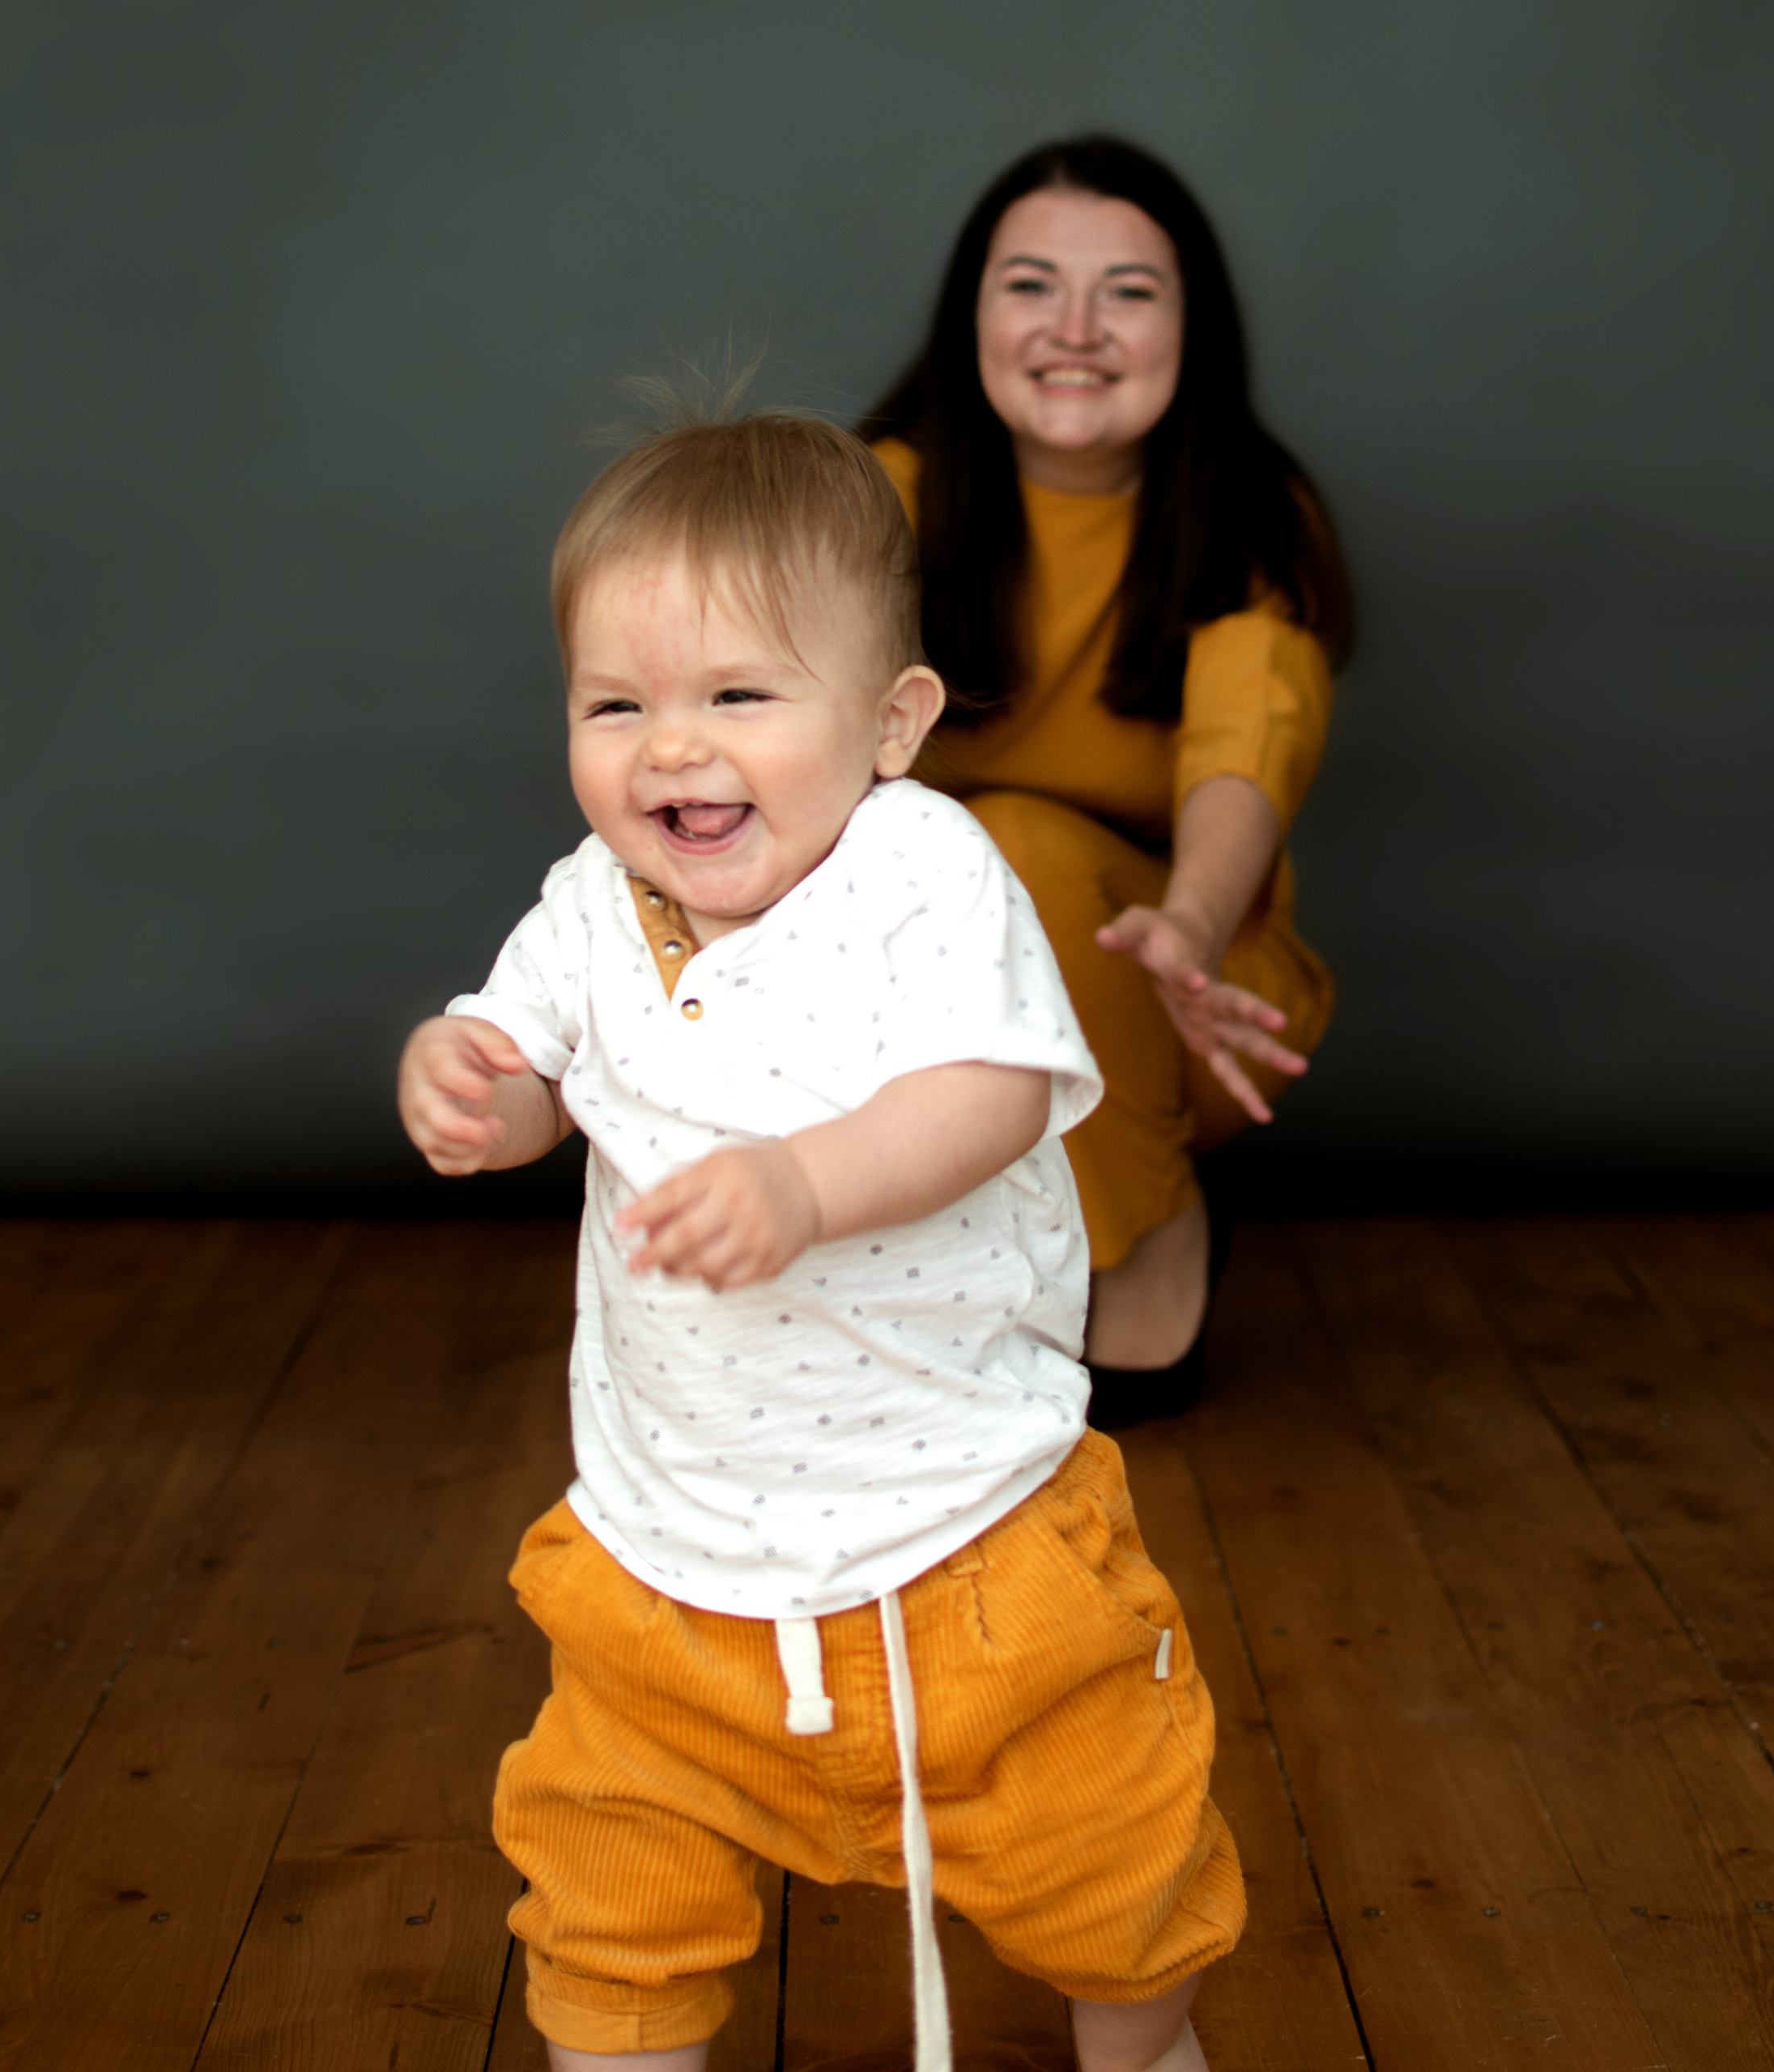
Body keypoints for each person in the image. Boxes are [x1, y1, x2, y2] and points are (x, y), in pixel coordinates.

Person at [397, 410, 1240, 2072]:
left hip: (968, 1546)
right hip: (669, 1564)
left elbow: (991, 1093)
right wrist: (468, 1091)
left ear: (890, 719)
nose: (669, 750)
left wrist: (800, 1185)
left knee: (1113, 1868)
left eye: (735, 695)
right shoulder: (591, 903)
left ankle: (1142, 2048)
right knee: (604, 1900)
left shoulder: (924, 873)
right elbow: (528, 1075)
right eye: (614, 704)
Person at [866, 135, 1353, 1427]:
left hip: (1190, 995)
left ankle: (1147, 1240)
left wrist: (1189, 930)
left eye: (1129, 291)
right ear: (972, 310)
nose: (1075, 328)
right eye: (1032, 285)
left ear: (1194, 324)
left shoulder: (1250, 514)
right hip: (912, 1005)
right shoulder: (877, 504)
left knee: (1016, 843)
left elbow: (1246, 750)